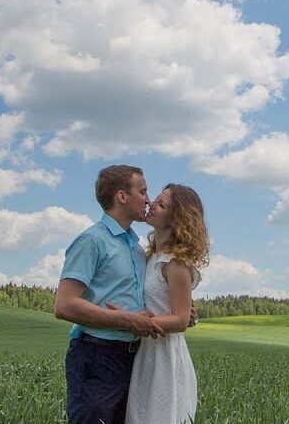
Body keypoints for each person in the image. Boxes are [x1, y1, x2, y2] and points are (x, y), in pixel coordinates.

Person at [54, 165, 166, 424]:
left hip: (134, 357)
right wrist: (125, 320)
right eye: (142, 191)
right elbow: (64, 305)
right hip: (96, 354)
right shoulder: (91, 241)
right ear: (122, 196)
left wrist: (181, 310)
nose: (148, 200)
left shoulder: (136, 248)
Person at [122, 183, 210, 424]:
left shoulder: (175, 263)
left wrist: (132, 322)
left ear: (177, 219)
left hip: (164, 357)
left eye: (161, 205)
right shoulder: (150, 257)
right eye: (155, 199)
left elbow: (180, 320)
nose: (151, 204)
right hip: (145, 352)